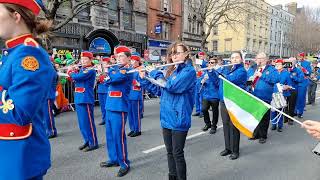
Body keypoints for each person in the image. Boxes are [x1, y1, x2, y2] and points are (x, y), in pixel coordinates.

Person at [0, 0, 56, 179]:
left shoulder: (29, 54)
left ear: (16, 16)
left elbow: (21, 111)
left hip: (19, 156)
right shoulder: (13, 53)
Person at [139, 42, 196, 180]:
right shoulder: (172, 70)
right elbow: (160, 90)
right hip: (166, 116)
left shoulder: (189, 71)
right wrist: (144, 78)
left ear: (186, 54)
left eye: (177, 53)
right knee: (169, 152)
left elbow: (171, 86)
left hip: (179, 117)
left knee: (177, 153)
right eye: (172, 53)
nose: (174, 56)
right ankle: (172, 176)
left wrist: (155, 72)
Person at [100, 46, 133, 177]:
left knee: (119, 136)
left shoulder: (127, 71)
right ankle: (113, 159)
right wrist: (107, 73)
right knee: (110, 135)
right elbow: (105, 81)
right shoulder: (114, 70)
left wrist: (107, 71)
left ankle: (124, 162)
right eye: (117, 57)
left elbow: (114, 79)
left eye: (121, 57)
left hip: (119, 107)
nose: (118, 59)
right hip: (109, 106)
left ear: (128, 58)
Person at [218, 52, 247, 160]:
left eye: (236, 58)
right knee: (225, 125)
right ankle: (228, 148)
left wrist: (220, 69)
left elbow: (229, 79)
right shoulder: (229, 69)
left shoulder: (241, 71)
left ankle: (235, 150)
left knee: (233, 125)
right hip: (223, 100)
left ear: (241, 59)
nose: (234, 59)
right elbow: (216, 80)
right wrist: (212, 71)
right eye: (232, 58)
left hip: (234, 101)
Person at [68, 51, 99, 152]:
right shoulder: (82, 69)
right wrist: (73, 73)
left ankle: (93, 142)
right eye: (82, 59)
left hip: (86, 98)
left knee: (88, 122)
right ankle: (87, 140)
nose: (83, 61)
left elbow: (78, 77)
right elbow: (75, 80)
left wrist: (71, 72)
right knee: (82, 123)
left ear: (90, 60)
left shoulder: (90, 70)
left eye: (85, 59)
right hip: (79, 97)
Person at [249, 52, 279, 144]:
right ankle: (256, 133)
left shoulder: (271, 69)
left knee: (264, 117)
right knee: (255, 116)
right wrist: (250, 80)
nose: (259, 60)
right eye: (258, 58)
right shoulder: (253, 68)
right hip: (253, 95)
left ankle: (263, 135)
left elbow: (275, 79)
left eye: (261, 58)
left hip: (264, 96)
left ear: (266, 59)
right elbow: (247, 79)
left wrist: (262, 76)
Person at [270, 59, 293, 132]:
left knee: (280, 110)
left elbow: (290, 84)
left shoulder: (286, 73)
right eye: (276, 64)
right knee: (273, 110)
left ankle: (280, 126)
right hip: (273, 93)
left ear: (282, 65)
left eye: (279, 64)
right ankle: (273, 124)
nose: (277, 65)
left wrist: (287, 87)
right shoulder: (273, 72)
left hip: (282, 94)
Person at [200, 57, 220, 134]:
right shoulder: (206, 71)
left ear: (215, 64)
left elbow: (216, 82)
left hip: (214, 95)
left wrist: (211, 72)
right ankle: (208, 123)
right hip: (206, 94)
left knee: (215, 112)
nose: (210, 64)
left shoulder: (218, 71)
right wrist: (202, 81)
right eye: (209, 62)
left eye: (212, 63)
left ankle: (214, 126)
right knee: (204, 109)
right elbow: (202, 79)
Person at [128, 53, 143, 137]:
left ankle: (137, 129)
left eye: (133, 60)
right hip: (129, 93)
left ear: (137, 62)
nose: (132, 62)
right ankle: (132, 129)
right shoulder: (130, 69)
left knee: (136, 113)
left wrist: (138, 83)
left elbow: (143, 81)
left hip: (136, 92)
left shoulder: (140, 69)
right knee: (130, 113)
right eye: (131, 60)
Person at [44, 64, 58, 138]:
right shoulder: (48, 71)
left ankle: (51, 131)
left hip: (48, 95)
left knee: (48, 114)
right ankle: (47, 130)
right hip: (45, 95)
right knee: (45, 115)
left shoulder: (51, 71)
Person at [295, 53, 312, 118]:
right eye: (298, 56)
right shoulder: (295, 63)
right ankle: (295, 110)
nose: (299, 58)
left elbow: (308, 72)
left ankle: (300, 112)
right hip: (295, 82)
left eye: (300, 56)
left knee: (301, 97)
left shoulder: (307, 63)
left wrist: (301, 68)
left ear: (303, 57)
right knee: (295, 97)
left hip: (303, 82)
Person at [97, 57, 110, 126]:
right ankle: (104, 119)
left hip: (106, 89)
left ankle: (108, 119)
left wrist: (101, 74)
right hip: (101, 89)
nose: (103, 64)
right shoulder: (100, 70)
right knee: (102, 106)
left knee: (106, 106)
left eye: (104, 63)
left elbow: (106, 78)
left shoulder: (110, 70)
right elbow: (98, 79)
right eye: (102, 63)